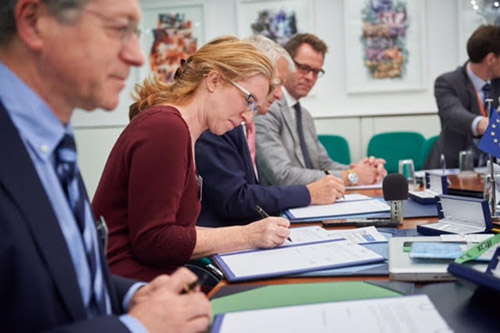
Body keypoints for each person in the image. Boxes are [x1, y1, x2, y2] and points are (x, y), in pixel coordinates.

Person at [0, 0, 210, 332]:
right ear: (33, 21)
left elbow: (64, 280)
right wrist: (134, 327)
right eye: (118, 29)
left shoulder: (51, 138)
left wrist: (135, 295)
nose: (138, 56)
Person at [92, 36, 291, 283]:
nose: (248, 118)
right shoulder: (166, 128)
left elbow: (173, 232)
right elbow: (154, 241)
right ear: (214, 80)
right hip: (133, 287)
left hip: (154, 279)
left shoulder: (182, 129)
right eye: (248, 100)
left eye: (254, 108)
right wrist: (247, 236)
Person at [195, 35, 345, 228]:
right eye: (276, 83)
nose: (279, 94)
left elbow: (320, 161)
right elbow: (236, 199)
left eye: (316, 71)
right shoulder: (222, 122)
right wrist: (312, 192)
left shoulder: (294, 115)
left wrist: (353, 172)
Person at [255, 33, 387, 187]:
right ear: (287, 65)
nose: (310, 77)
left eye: (316, 72)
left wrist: (366, 171)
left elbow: (323, 165)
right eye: (304, 68)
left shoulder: (304, 116)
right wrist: (353, 176)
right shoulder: (265, 109)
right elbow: (283, 176)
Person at [425, 25, 500, 169]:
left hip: (493, 169)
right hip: (454, 168)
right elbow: (453, 114)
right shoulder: (447, 82)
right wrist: (484, 124)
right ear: (491, 59)